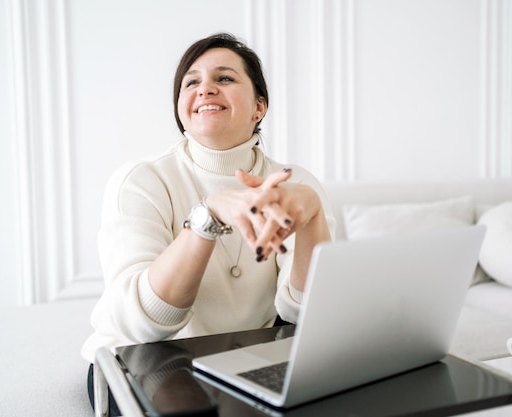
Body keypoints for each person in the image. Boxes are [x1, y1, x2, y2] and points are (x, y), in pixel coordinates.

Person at [82, 32, 335, 413]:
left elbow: (303, 314)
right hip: (144, 360)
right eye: (192, 81)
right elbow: (142, 324)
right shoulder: (140, 180)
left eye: (225, 78)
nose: (206, 89)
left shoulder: (294, 183)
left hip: (249, 359)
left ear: (259, 107)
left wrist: (312, 215)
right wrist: (208, 216)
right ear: (181, 106)